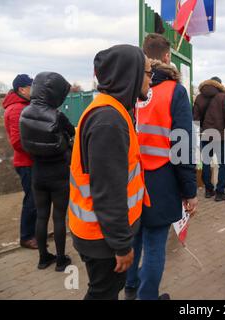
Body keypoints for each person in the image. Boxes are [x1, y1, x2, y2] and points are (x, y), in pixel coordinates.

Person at [69, 45, 151, 300]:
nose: (151, 79)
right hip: (102, 238)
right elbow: (108, 191)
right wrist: (121, 245)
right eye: (147, 73)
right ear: (131, 74)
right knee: (102, 294)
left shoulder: (112, 110)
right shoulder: (109, 120)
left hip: (101, 233)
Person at [126, 33, 197, 300]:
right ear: (167, 56)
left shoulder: (129, 88)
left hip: (131, 178)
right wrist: (190, 190)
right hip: (161, 180)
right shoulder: (175, 91)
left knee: (133, 238)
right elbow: (182, 145)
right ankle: (147, 297)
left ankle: (130, 289)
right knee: (155, 245)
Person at [19, 72, 75, 271]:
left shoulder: (24, 113)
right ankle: (61, 260)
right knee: (59, 217)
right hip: (58, 172)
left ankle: (43, 258)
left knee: (41, 216)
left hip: (37, 172)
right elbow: (72, 132)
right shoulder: (57, 116)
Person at [2, 74, 38, 249]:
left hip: (30, 161)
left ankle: (34, 233)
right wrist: (40, 150)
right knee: (31, 200)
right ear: (22, 89)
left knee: (36, 199)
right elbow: (18, 141)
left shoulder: (24, 105)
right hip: (26, 162)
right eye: (31, 86)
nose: (34, 89)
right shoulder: (17, 109)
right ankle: (26, 236)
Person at [194, 76, 225, 201]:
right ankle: (220, 192)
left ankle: (208, 190)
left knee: (206, 162)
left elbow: (195, 118)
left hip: (205, 135)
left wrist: (199, 132)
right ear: (219, 85)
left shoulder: (199, 97)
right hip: (220, 136)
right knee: (224, 164)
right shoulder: (223, 97)